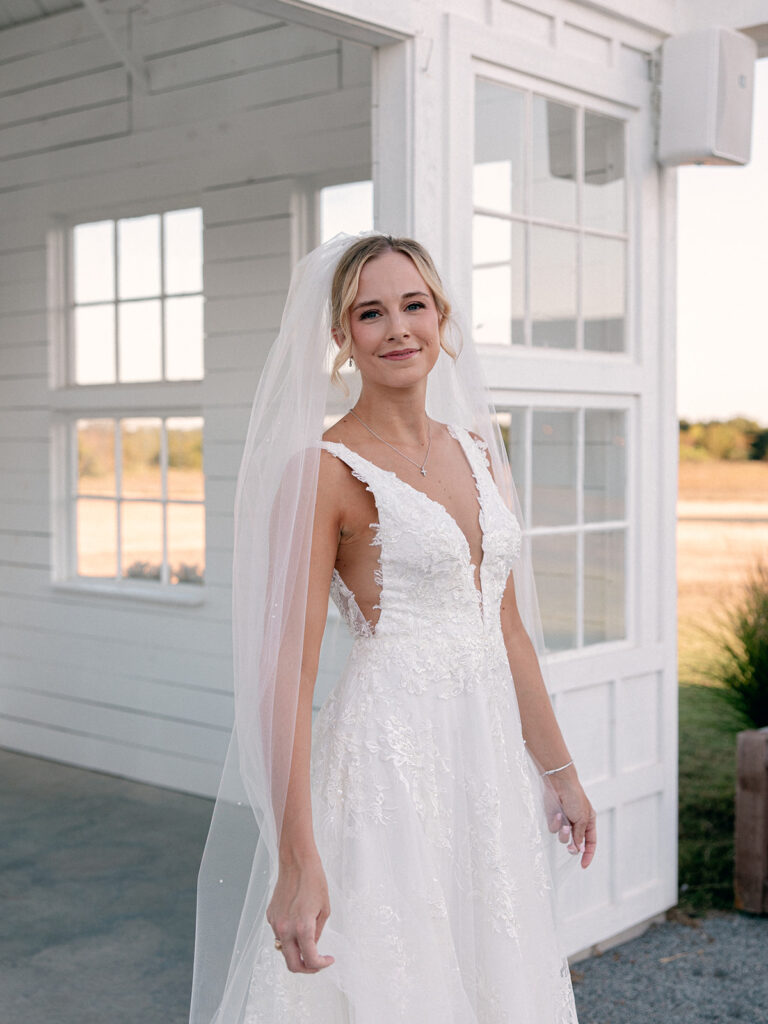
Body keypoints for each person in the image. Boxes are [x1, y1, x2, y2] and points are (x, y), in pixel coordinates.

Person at [188, 231, 596, 1024]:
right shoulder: (323, 471)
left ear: (442, 317)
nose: (398, 328)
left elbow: (507, 632)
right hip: (387, 771)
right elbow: (287, 672)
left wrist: (561, 774)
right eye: (370, 313)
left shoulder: (478, 452)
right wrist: (296, 857)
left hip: (484, 768)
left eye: (414, 305)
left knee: (492, 968)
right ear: (341, 335)